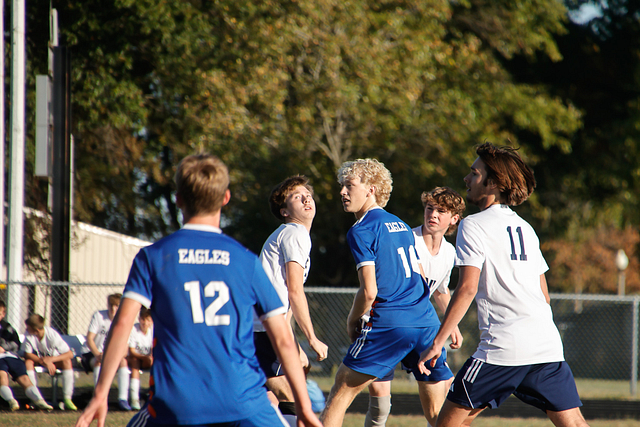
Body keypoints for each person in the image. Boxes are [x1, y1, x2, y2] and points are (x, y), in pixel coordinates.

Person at [76, 153, 321, 427]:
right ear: (226, 198)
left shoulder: (153, 257)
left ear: (178, 199)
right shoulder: (245, 260)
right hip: (240, 402)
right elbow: (283, 339)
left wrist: (100, 394)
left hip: (176, 404)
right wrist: (304, 407)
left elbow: (122, 325)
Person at [418, 142, 590, 427]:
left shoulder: (473, 225)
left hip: (502, 349)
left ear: (494, 183)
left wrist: (437, 343)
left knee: (447, 424)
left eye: (474, 173)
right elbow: (544, 296)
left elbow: (467, 288)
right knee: (574, 423)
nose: (467, 179)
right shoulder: (526, 228)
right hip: (546, 345)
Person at [320, 158, 453, 427]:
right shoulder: (401, 225)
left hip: (391, 322)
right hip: (426, 322)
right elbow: (421, 277)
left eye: (349, 185)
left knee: (340, 392)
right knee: (438, 414)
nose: (342, 192)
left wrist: (352, 320)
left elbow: (369, 291)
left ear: (371, 189)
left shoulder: (362, 229)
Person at [365, 187, 466, 427]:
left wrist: (453, 324)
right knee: (380, 407)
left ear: (454, 219)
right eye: (430, 208)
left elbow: (439, 290)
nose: (433, 214)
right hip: (386, 323)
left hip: (420, 325)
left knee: (439, 406)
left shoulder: (449, 252)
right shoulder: (406, 239)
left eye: (441, 211)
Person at [254, 175, 329, 426]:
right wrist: (311, 338)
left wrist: (294, 342)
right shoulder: (294, 232)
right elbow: (294, 291)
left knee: (272, 395)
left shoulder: (293, 234)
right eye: (297, 197)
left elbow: (282, 295)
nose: (306, 199)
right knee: (291, 397)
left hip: (265, 326)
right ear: (285, 211)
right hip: (263, 328)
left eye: (308, 195)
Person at [82, 293, 131, 410]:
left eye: (117, 305)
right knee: (99, 362)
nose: (113, 309)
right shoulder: (99, 316)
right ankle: (99, 397)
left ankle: (123, 399)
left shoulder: (125, 320)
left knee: (123, 362)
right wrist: (97, 354)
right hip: (93, 354)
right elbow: (89, 339)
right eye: (111, 305)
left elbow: (125, 350)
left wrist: (112, 356)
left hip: (111, 355)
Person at [0, 301, 53, 411]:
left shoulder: (8, 328)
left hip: (10, 356)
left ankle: (39, 401)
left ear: (3, 314)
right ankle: (11, 401)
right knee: (2, 376)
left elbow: (16, 343)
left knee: (24, 378)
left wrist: (4, 348)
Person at [23, 313, 78, 411]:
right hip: (39, 360)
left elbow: (70, 354)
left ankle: (67, 399)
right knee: (28, 362)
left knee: (67, 362)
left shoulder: (52, 335)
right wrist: (43, 361)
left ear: (36, 331)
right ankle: (36, 399)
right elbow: (27, 354)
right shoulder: (29, 335)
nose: (26, 329)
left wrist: (51, 360)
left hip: (54, 360)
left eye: (28, 328)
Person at [126, 307, 154, 410]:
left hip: (146, 360)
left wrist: (149, 358)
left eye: (148, 320)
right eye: (143, 319)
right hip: (134, 359)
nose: (145, 323)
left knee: (157, 364)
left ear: (151, 321)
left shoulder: (153, 331)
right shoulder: (134, 329)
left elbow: (153, 349)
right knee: (135, 362)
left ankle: (154, 396)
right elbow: (131, 351)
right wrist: (145, 357)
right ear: (139, 319)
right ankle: (134, 399)